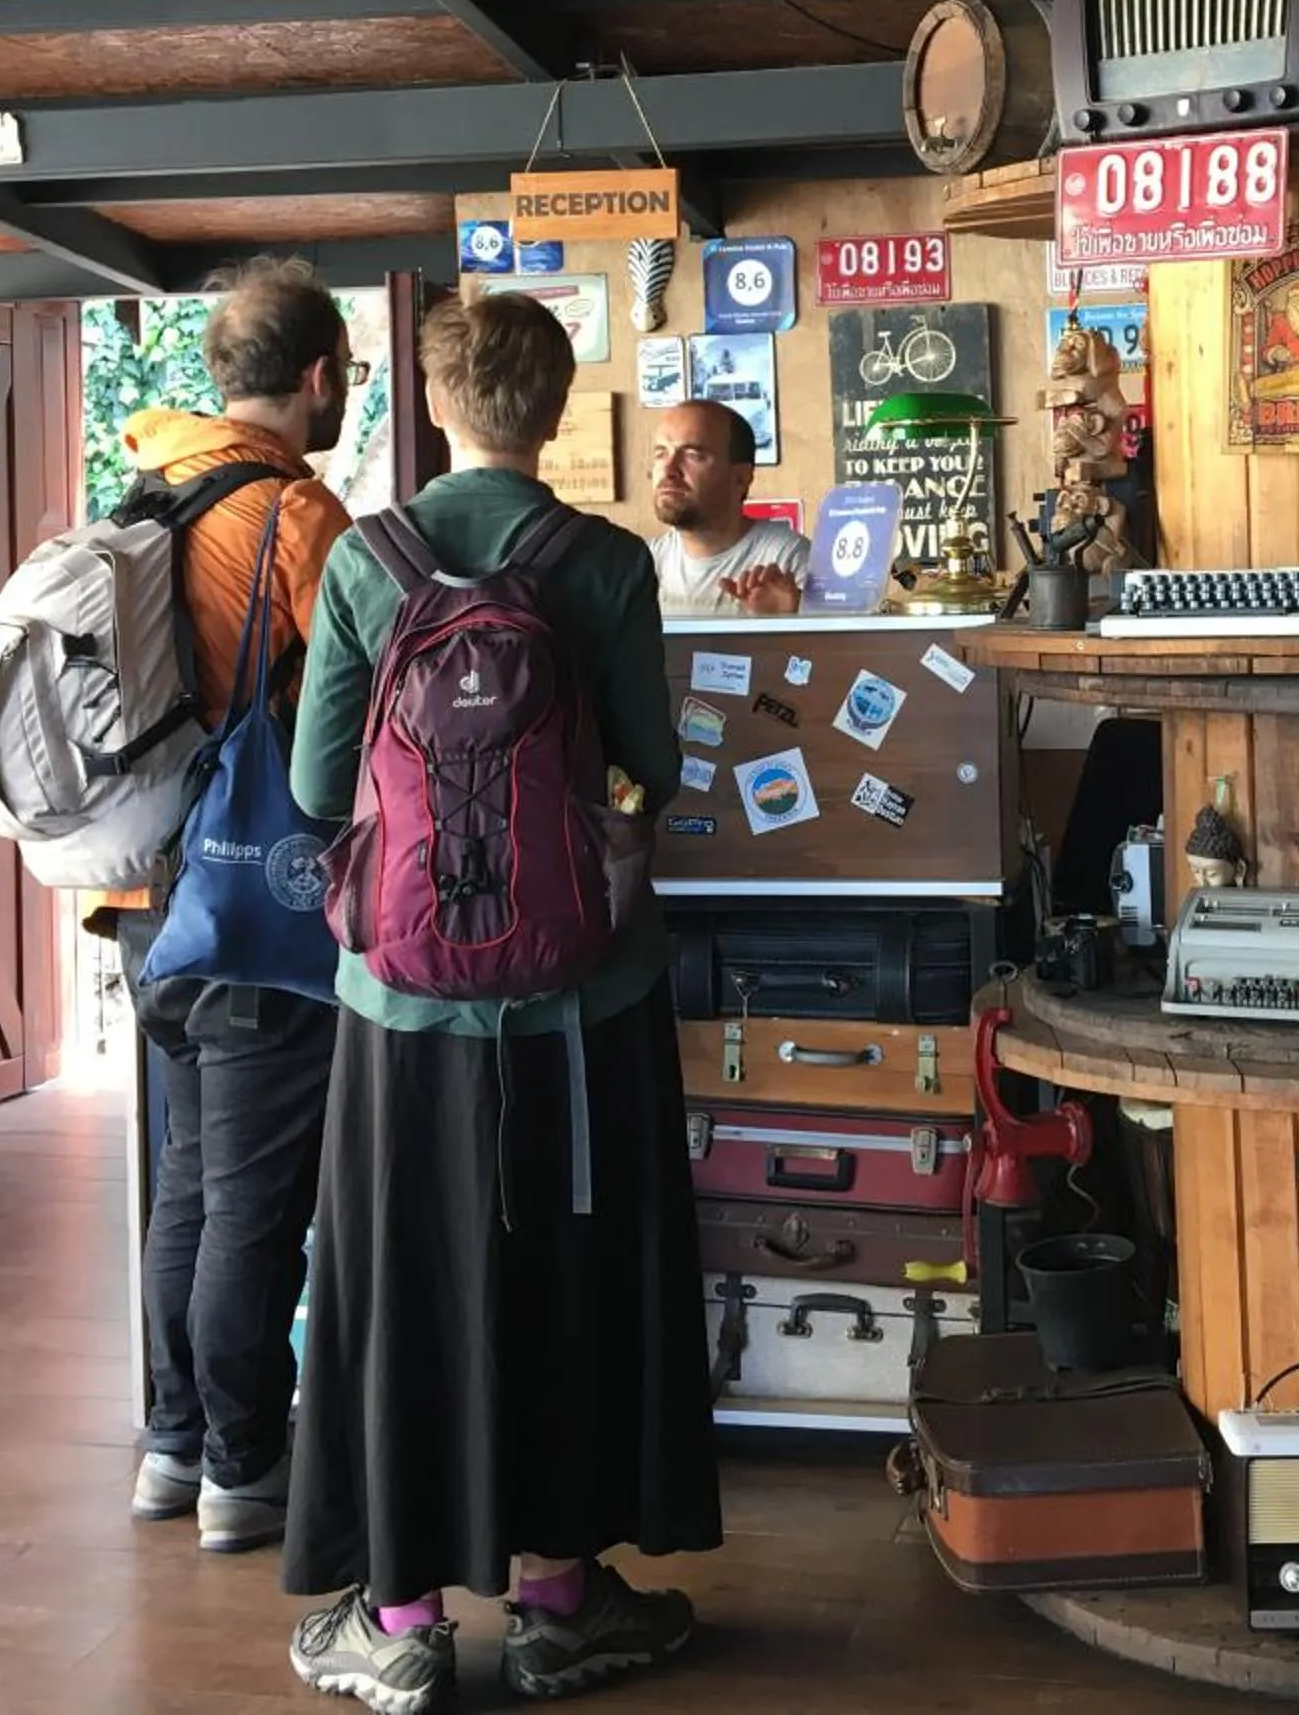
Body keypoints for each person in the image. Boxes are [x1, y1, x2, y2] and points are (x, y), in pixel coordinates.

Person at [282, 292, 720, 1710]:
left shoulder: (364, 559)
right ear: (556, 404)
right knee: (571, 1288)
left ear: (435, 399)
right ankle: (557, 1600)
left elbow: (309, 786)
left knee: (407, 1282)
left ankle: (399, 1616)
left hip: (403, 1015)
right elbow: (652, 759)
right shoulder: (599, 561)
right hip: (583, 1002)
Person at [107, 258, 356, 1555]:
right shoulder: (292, 516)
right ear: (319, 374)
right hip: (260, 896)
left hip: (152, 895)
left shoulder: (148, 482)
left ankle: (172, 1444)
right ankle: (246, 1465)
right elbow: (359, 715)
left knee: (190, 1190)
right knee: (255, 1203)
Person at [645, 399, 810, 613]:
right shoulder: (645, 565)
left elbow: (845, 645)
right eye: (661, 454)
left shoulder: (787, 559)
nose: (669, 470)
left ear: (741, 478)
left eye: (693, 455)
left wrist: (789, 621)